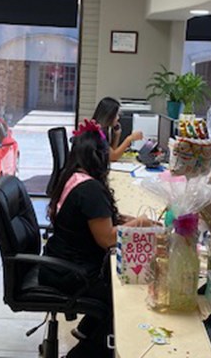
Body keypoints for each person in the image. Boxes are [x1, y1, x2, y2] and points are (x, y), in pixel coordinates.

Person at [39, 119, 157, 358]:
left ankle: (87, 330)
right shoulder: (90, 190)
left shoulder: (73, 176)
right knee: (124, 299)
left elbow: (102, 219)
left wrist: (128, 219)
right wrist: (141, 223)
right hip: (71, 272)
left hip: (59, 262)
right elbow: (107, 239)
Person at [92, 97, 143, 161]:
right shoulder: (97, 132)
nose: (118, 118)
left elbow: (111, 153)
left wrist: (117, 135)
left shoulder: (104, 129)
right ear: (109, 115)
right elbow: (113, 157)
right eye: (116, 115)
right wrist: (129, 139)